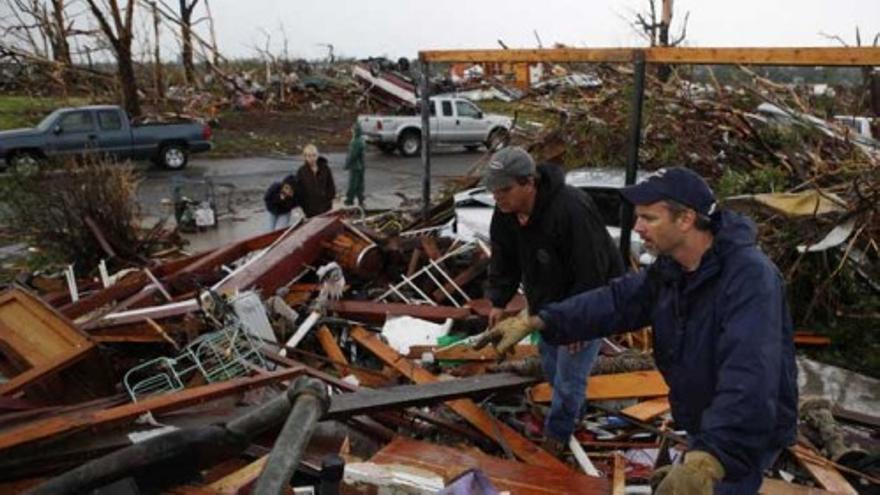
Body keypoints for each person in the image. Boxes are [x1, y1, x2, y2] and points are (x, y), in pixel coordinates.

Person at [475, 167, 797, 494]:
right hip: (706, 420)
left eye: (649, 218)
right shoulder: (672, 270)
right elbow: (616, 302)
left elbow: (749, 378)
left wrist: (709, 459)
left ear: (685, 219)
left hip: (742, 434)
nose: (637, 227)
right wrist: (541, 320)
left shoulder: (749, 279)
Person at [477, 146, 624, 454]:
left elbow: (592, 271)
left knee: (570, 376)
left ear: (529, 183)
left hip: (590, 301)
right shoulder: (505, 213)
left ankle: (557, 438)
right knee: (551, 363)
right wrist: (499, 302)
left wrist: (578, 324)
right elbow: (504, 259)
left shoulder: (571, 209)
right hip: (547, 301)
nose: (497, 197)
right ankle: (576, 415)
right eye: (494, 191)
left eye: (504, 189)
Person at [296, 144, 335, 217]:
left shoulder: (325, 168)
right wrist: (304, 206)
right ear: (305, 157)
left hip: (326, 207)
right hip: (309, 209)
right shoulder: (301, 171)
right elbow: (300, 191)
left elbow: (331, 185)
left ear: (317, 155)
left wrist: (329, 199)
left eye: (314, 155)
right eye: (309, 156)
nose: (312, 158)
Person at [344, 122, 366, 207]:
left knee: (353, 184)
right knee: (360, 184)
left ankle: (349, 200)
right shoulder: (361, 140)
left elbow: (352, 155)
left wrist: (347, 164)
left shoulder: (355, 142)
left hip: (355, 166)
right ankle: (361, 199)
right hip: (361, 166)